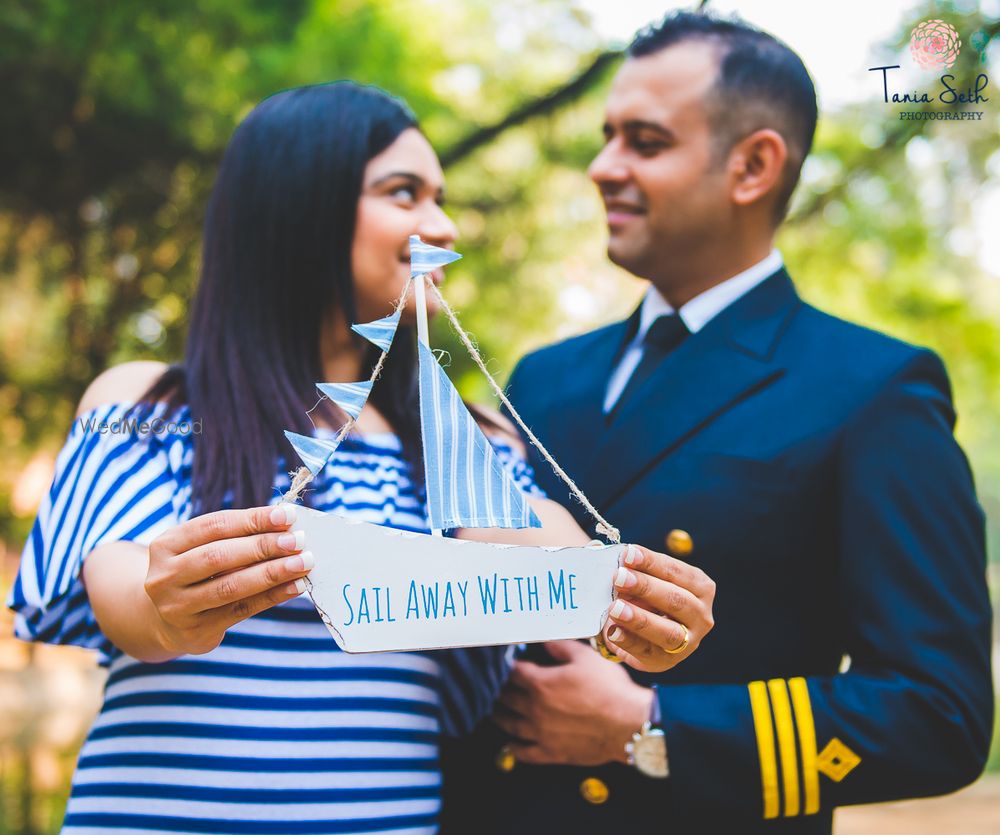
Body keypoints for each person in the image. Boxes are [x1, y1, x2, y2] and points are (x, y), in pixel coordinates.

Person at [5, 81, 714, 834]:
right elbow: (121, 589)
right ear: (296, 207)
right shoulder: (149, 403)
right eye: (403, 193)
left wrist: (626, 608)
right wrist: (171, 606)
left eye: (440, 198)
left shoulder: (467, 443)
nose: (441, 226)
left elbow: (554, 561)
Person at [440, 11, 994, 835]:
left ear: (753, 166)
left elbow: (937, 712)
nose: (602, 167)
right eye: (605, 136)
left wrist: (651, 726)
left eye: (645, 141)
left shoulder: (872, 388)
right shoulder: (543, 375)